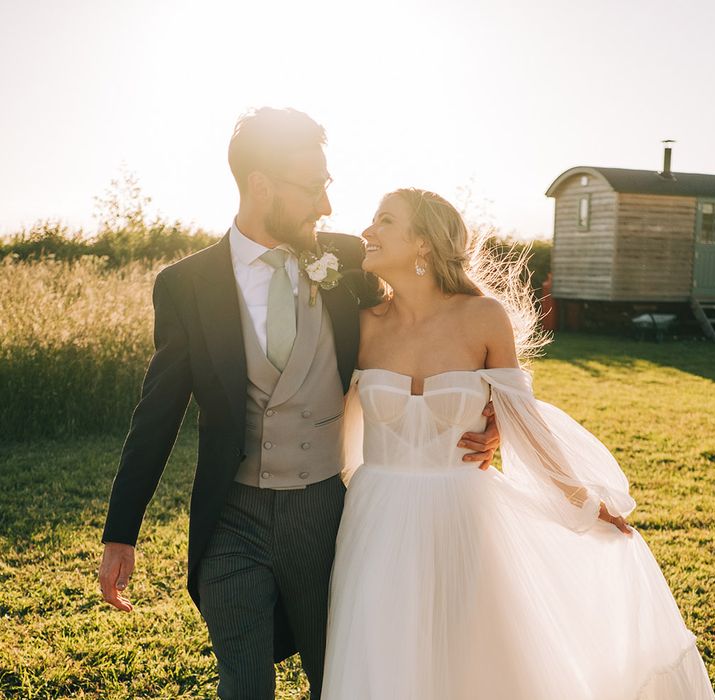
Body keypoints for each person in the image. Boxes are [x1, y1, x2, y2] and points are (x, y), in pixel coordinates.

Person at [97, 110, 500, 700]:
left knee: (334, 676)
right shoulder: (185, 286)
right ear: (263, 185)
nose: (328, 206)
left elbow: (435, 315)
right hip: (231, 517)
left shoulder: (351, 262)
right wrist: (120, 531)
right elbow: (156, 414)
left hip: (327, 515)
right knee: (243, 681)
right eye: (314, 187)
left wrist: (487, 409)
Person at [320, 188, 715, 699]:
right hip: (376, 515)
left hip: (463, 511)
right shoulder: (360, 323)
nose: (366, 231)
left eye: (384, 220)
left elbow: (523, 418)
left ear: (423, 243)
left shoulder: (483, 317)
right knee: (381, 657)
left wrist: (580, 500)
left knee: (471, 659)